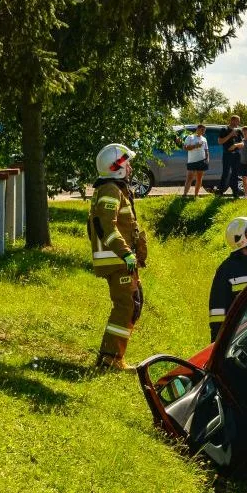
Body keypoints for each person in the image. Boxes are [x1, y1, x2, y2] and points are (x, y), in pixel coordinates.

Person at [86, 143, 147, 370]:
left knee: (132, 305)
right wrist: (126, 254)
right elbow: (107, 227)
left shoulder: (114, 188)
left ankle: (111, 356)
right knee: (126, 307)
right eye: (126, 163)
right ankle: (111, 360)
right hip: (118, 261)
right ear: (116, 167)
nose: (130, 168)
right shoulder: (111, 189)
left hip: (121, 261)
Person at [208, 216, 247, 341]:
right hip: (239, 340)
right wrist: (217, 343)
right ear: (241, 240)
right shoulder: (226, 270)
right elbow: (217, 311)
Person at [215, 115, 243, 198]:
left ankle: (235, 193)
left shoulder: (238, 131)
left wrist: (235, 145)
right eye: (237, 121)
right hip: (227, 154)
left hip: (236, 155)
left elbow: (242, 143)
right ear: (232, 121)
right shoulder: (224, 129)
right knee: (225, 173)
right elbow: (220, 141)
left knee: (235, 173)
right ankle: (220, 192)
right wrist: (230, 135)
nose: (239, 123)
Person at [182, 124, 209, 199]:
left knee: (199, 178)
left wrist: (207, 159)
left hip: (202, 160)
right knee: (189, 178)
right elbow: (185, 148)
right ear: (197, 129)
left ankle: (196, 195)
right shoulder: (190, 137)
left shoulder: (204, 139)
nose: (203, 132)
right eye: (202, 130)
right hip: (192, 161)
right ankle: (184, 195)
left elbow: (206, 150)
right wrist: (195, 146)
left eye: (204, 130)